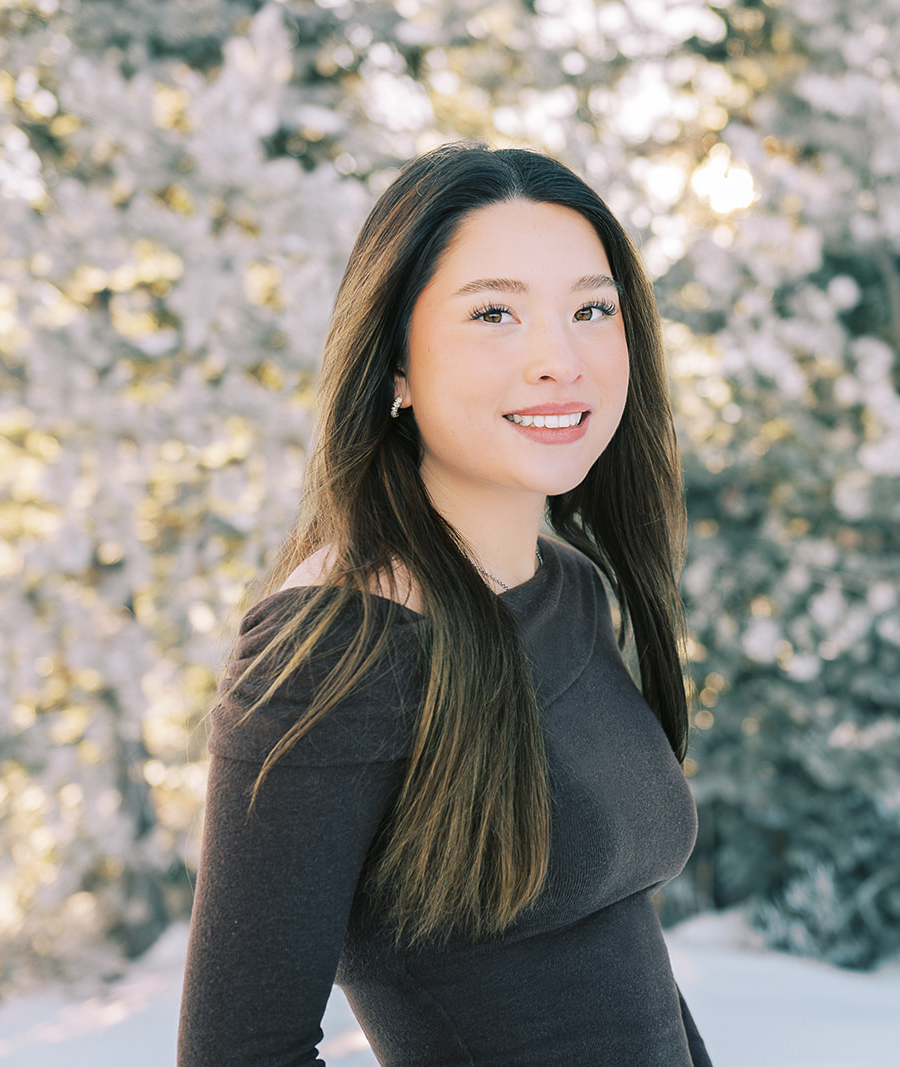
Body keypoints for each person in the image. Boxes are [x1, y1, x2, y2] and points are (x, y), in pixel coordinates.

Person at [177, 143, 712, 1066]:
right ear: (395, 364)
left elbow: (628, 985)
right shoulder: (335, 643)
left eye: (592, 309)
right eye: (495, 314)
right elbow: (240, 1052)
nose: (560, 358)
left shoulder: (568, 589)